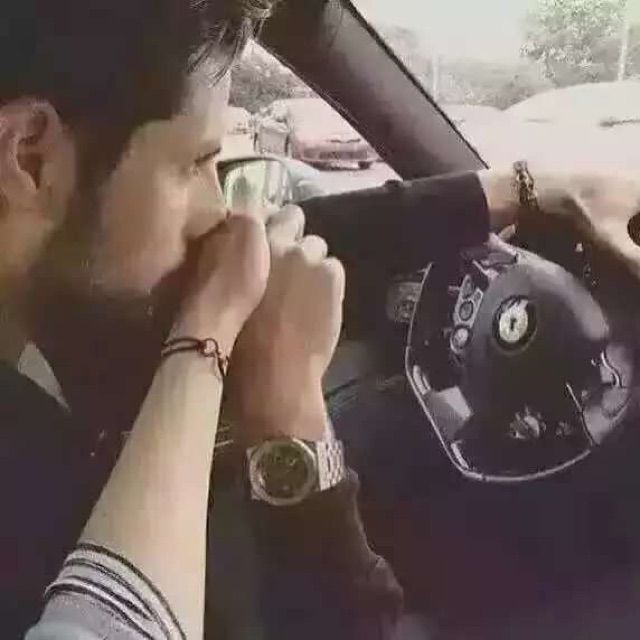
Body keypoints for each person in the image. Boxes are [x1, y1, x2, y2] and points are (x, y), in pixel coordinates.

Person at [2, 0, 640, 637]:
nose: (218, 210)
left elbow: (255, 244)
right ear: (29, 156)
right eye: (193, 164)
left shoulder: (50, 320)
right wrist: (284, 417)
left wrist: (526, 188)